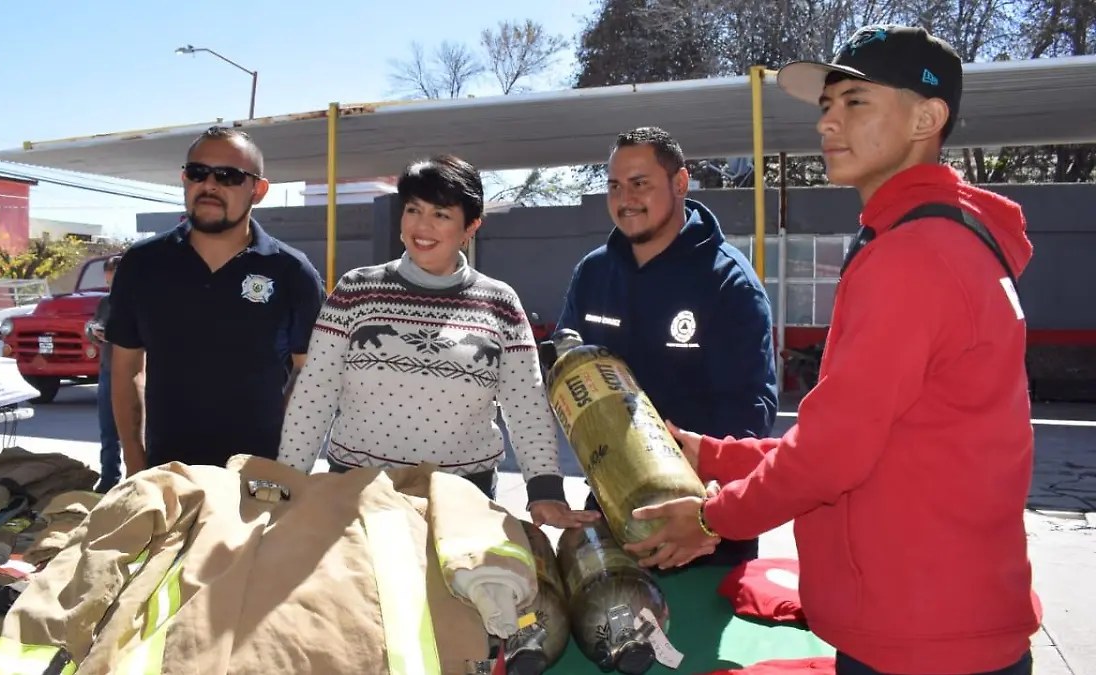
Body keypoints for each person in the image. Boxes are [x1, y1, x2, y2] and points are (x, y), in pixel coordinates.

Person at [625, 25, 1038, 675]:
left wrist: (708, 516)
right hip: (953, 619)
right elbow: (874, 441)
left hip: (922, 637)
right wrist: (710, 453)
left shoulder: (912, 256)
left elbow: (832, 453)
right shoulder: (955, 242)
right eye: (825, 105)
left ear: (927, 117)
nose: (828, 123)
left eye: (856, 102)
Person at [277, 155, 596, 529]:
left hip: (461, 504)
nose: (422, 225)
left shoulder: (500, 303)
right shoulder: (355, 291)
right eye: (414, 209)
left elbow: (526, 403)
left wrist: (545, 491)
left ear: (470, 227)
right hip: (355, 499)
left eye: (441, 214)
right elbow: (315, 393)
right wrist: (288, 483)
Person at [555, 126, 778, 564]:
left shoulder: (727, 282)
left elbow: (750, 411)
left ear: (680, 183)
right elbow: (563, 363)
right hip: (610, 511)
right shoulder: (594, 274)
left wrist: (709, 510)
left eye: (640, 183)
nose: (625, 199)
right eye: (615, 186)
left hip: (699, 523)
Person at [104, 126, 326, 475]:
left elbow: (310, 372)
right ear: (184, 179)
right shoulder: (142, 264)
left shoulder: (292, 272)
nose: (210, 185)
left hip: (257, 484)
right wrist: (135, 465)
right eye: (198, 173)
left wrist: (283, 464)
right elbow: (127, 367)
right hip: (168, 477)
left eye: (229, 176)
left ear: (259, 190)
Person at [87, 254, 122, 492]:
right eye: (109, 281)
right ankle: (109, 478)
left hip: (136, 372)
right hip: (108, 370)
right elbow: (93, 326)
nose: (112, 287)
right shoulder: (105, 302)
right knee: (108, 430)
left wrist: (115, 335)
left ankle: (143, 477)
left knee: (140, 430)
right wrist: (93, 332)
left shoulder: (143, 299)